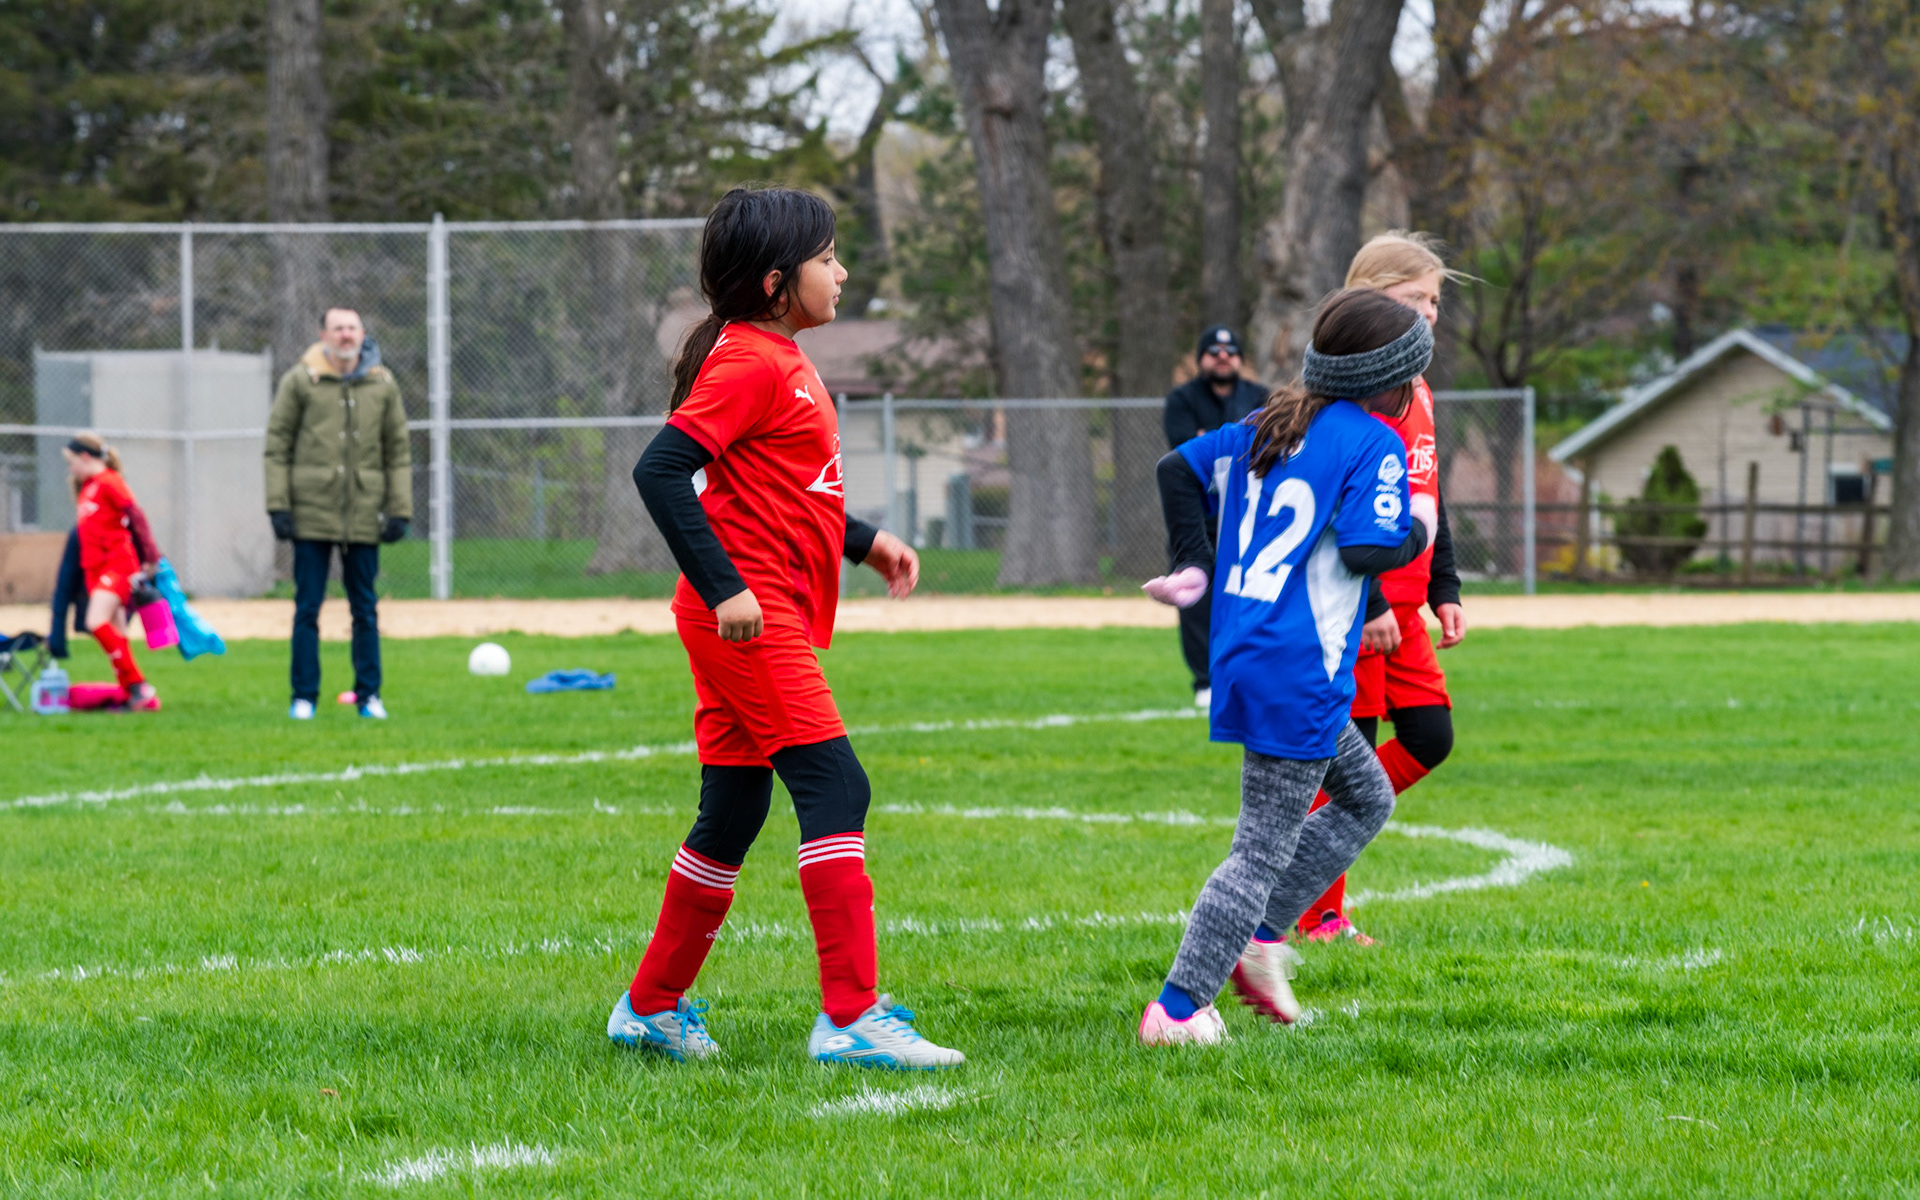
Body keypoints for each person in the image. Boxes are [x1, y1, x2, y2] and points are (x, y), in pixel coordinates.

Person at [610, 185, 963, 1070]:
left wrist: (864, 541)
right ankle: (849, 1016)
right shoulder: (753, 362)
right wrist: (725, 586)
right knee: (837, 788)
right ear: (777, 281)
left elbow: (779, 492)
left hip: (756, 609)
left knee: (734, 809)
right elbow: (662, 471)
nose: (841, 272)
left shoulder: (772, 355)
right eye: (828, 258)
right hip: (747, 616)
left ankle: (650, 1007)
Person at [1136, 290, 1438, 1045]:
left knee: (1367, 797)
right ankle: (1177, 1008)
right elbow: (1371, 550)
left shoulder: (1271, 420)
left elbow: (1177, 468)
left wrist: (1192, 561)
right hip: (1298, 666)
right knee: (1259, 849)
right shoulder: (1373, 441)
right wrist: (1421, 531)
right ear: (1393, 381)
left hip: (1248, 651)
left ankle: (1263, 935)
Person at [1292, 232, 1468, 944]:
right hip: (1357, 606)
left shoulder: (1416, 389)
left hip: (1407, 609)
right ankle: (1317, 911)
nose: (1427, 312)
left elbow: (1428, 496)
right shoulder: (1349, 399)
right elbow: (1332, 510)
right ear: (1367, 300)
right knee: (1351, 760)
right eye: (1411, 299)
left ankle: (1307, 842)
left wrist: (1444, 585)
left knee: (1429, 737)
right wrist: (1367, 605)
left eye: (1433, 301)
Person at [264, 307, 411, 721]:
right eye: (338, 328)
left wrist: (399, 509)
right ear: (323, 334)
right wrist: (278, 505)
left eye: (352, 328)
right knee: (307, 606)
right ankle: (304, 697)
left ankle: (370, 695)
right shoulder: (300, 381)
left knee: (364, 607)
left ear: (363, 333)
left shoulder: (382, 384)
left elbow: (397, 450)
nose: (346, 335)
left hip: (363, 514)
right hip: (311, 513)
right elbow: (277, 446)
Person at [1162, 325, 1267, 707]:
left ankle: (1246, 676)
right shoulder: (1182, 398)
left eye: (1230, 352)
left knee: (1252, 596)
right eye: (1214, 352)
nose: (1223, 358)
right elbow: (1186, 452)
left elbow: (1266, 451)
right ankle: (1205, 681)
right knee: (1195, 601)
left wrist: (1214, 439)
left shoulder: (1259, 397)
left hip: (1249, 519)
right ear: (1201, 358)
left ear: (1240, 359)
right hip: (1199, 519)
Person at [65, 433, 162, 711]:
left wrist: (150, 556)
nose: (70, 469)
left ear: (85, 457)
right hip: (96, 569)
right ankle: (132, 695)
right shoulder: (87, 488)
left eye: (72, 462)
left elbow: (136, 516)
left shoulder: (109, 481)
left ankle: (137, 686)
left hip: (118, 564)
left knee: (96, 622)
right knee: (116, 632)